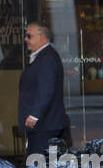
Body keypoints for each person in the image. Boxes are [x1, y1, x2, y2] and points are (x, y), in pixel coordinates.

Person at [19, 23, 70, 158]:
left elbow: (46, 89)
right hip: (43, 125)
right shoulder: (43, 56)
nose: (26, 39)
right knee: (40, 163)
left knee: (39, 164)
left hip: (45, 125)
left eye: (29, 36)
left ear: (42, 37)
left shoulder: (47, 58)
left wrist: (34, 115)